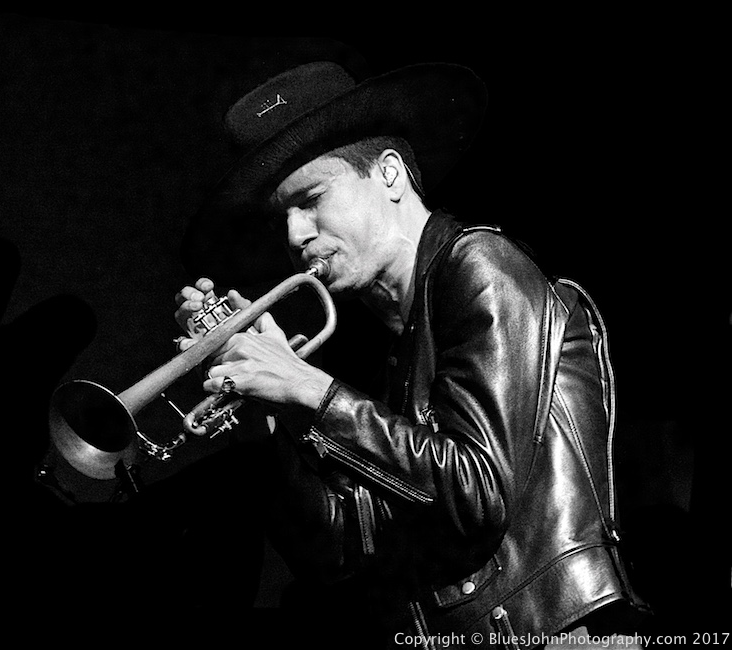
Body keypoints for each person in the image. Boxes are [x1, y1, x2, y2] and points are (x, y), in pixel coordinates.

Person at [174, 60, 648, 646]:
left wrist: (307, 388)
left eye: (312, 199)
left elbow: (477, 495)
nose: (295, 235)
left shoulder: (479, 264)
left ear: (390, 175)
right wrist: (266, 414)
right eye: (284, 217)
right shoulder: (397, 354)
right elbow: (340, 551)